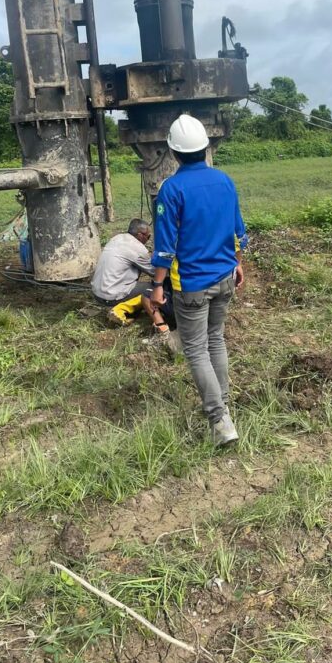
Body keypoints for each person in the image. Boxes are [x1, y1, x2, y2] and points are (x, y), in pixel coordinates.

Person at [149, 114, 248, 447]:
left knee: (196, 350)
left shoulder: (171, 190)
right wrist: (237, 262)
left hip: (191, 283)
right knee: (216, 339)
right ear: (206, 147)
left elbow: (165, 248)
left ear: (173, 153)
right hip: (225, 277)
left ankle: (220, 420)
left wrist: (158, 285)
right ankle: (224, 405)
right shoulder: (224, 181)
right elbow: (239, 231)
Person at [91, 218, 171, 333]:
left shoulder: (116, 238)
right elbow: (156, 272)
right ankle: (121, 311)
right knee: (153, 290)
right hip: (111, 296)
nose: (148, 240)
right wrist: (165, 258)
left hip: (97, 293)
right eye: (148, 237)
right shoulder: (137, 248)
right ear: (140, 235)